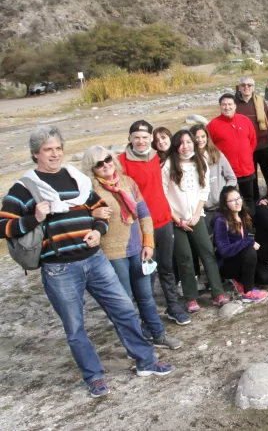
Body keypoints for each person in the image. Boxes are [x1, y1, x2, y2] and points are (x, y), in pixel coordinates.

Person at [0, 126, 173, 397]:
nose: (55, 154)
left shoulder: (76, 178)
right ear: (36, 154)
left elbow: (99, 211)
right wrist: (34, 218)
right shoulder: (24, 188)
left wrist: (98, 230)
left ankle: (146, 361)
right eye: (48, 150)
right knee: (75, 327)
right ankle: (93, 376)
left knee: (125, 310)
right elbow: (3, 226)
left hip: (95, 259)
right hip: (59, 268)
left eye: (58, 148)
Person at [82, 146, 182, 351]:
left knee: (146, 296)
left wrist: (148, 243)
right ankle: (136, 345)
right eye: (98, 164)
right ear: (91, 169)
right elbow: (80, 220)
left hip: (137, 249)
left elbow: (144, 214)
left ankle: (157, 334)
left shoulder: (128, 182)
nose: (105, 165)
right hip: (112, 253)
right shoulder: (89, 191)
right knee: (125, 302)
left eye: (107, 159)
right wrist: (92, 215)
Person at [118, 121, 190, 325]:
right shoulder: (121, 162)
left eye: (144, 137)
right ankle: (146, 317)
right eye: (136, 137)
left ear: (151, 138)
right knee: (145, 272)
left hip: (163, 220)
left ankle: (173, 307)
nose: (141, 141)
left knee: (166, 267)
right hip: (140, 226)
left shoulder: (158, 157)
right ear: (130, 139)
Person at [162, 130, 229, 312]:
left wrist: (197, 213)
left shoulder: (200, 161)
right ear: (176, 145)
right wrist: (177, 218)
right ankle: (191, 298)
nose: (186, 146)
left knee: (207, 251)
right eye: (181, 143)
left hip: (196, 216)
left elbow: (204, 190)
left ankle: (218, 293)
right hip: (176, 219)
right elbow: (163, 195)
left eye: (189, 142)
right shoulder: (168, 165)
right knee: (184, 257)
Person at [211, 187, 268, 302]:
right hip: (227, 264)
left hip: (242, 260)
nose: (237, 202)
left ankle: (240, 280)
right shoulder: (221, 220)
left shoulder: (241, 214)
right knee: (249, 250)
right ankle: (248, 292)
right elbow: (224, 250)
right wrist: (248, 242)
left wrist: (262, 203)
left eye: (239, 198)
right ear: (225, 204)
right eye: (232, 200)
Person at [207, 93, 258, 212]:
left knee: (248, 199)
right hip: (227, 173)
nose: (227, 107)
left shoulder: (244, 120)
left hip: (247, 169)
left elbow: (253, 140)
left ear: (235, 106)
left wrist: (246, 155)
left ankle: (251, 226)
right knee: (229, 202)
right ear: (220, 106)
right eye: (224, 104)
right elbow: (209, 147)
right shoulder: (213, 125)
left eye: (230, 104)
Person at [234, 76, 268, 200]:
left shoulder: (260, 101)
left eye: (249, 85)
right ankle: (255, 202)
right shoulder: (234, 104)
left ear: (253, 87)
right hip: (245, 148)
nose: (246, 87)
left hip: (264, 144)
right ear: (239, 87)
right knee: (251, 177)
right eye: (243, 85)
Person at [190, 123, 237, 227]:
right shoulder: (189, 160)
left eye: (203, 136)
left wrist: (224, 194)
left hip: (222, 207)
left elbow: (232, 178)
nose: (200, 140)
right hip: (202, 210)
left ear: (207, 137)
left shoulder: (217, 155)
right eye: (196, 137)